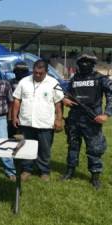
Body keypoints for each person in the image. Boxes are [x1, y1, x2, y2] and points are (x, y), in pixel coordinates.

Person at [61, 53, 112, 189]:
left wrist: (106, 114)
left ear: (93, 63)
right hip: (74, 119)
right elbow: (65, 93)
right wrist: (65, 99)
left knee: (94, 149)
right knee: (73, 146)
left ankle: (95, 177)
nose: (84, 64)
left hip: (92, 120)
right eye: (82, 61)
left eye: (88, 61)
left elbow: (110, 95)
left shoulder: (100, 78)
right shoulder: (74, 78)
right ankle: (70, 171)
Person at [12, 59, 64, 182]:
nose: (37, 75)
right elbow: (17, 100)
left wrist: (59, 119)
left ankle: (44, 171)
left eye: (41, 73)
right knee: (26, 147)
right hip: (26, 122)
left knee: (44, 149)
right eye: (35, 72)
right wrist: (14, 116)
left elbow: (58, 103)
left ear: (46, 72)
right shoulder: (24, 82)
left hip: (45, 123)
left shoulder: (53, 83)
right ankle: (26, 170)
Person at [8, 62, 30, 138]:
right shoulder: (10, 82)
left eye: (22, 71)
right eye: (17, 71)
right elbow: (10, 100)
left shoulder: (29, 83)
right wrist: (10, 117)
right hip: (12, 112)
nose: (19, 73)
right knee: (12, 135)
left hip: (26, 112)